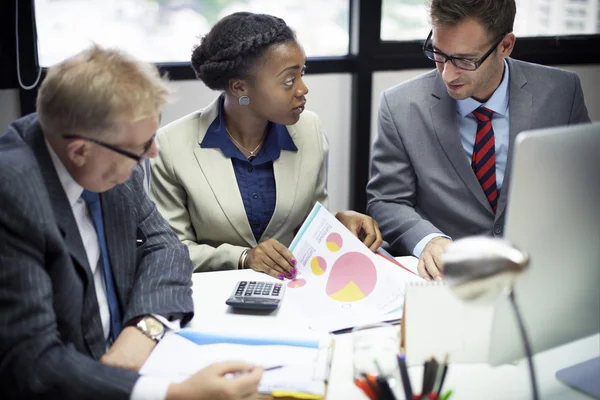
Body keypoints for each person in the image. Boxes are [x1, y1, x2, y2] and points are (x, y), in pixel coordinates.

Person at [0, 44, 262, 400]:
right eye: (141, 147)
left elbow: (165, 248)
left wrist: (145, 328)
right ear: (80, 151)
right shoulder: (12, 193)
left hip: (140, 360)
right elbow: (32, 362)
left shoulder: (111, 154)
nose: (151, 153)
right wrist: (172, 395)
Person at [366, 0, 590, 280]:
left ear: (505, 46)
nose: (447, 73)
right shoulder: (399, 106)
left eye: (465, 60)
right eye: (438, 53)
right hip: (450, 279)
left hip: (541, 271)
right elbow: (386, 200)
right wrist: (429, 240)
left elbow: (585, 192)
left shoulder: (561, 93)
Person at [150, 12, 383, 277]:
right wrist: (242, 258)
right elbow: (169, 249)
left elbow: (309, 226)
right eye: (288, 80)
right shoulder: (171, 146)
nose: (302, 89)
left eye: (301, 74)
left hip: (293, 293)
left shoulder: (309, 130)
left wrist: (338, 225)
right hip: (213, 297)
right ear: (239, 88)